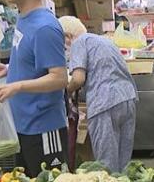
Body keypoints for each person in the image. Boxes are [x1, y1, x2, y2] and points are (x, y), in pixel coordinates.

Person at [0, 0, 68, 177]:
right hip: (22, 126)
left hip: (44, 129)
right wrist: (9, 70)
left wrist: (16, 86)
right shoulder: (23, 18)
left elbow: (60, 77)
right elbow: (36, 63)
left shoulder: (45, 27)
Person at [58, 16, 138, 173]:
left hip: (104, 103)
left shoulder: (79, 43)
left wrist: (64, 92)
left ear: (68, 37)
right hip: (128, 98)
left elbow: (78, 78)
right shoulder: (104, 41)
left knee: (106, 164)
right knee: (124, 163)